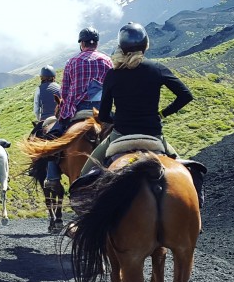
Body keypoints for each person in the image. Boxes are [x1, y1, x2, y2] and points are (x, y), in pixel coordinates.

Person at [79, 21, 192, 176]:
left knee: (83, 177)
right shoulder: (157, 69)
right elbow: (186, 95)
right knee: (188, 173)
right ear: (145, 44)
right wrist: (162, 114)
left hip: (120, 134)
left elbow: (104, 115)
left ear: (121, 46)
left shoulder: (112, 74)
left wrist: (119, 119)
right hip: (153, 133)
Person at [43, 26, 113, 189]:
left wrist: (65, 112)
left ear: (81, 43)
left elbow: (65, 93)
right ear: (96, 43)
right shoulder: (107, 61)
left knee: (53, 138)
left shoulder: (72, 62)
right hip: (102, 113)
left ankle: (52, 177)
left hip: (78, 111)